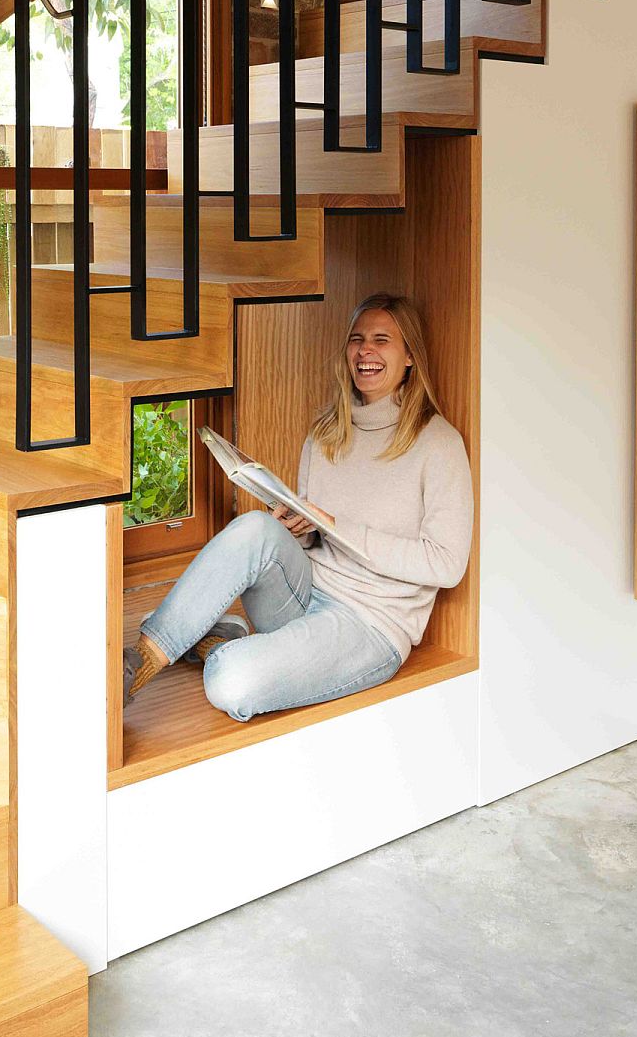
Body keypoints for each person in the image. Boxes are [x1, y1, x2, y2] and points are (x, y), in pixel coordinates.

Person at [122, 292, 473, 723]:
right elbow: (314, 539)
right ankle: (140, 661)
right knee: (255, 527)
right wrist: (300, 529)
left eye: (382, 340)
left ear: (409, 357)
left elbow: (446, 564)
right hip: (303, 592)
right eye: (357, 339)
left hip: (370, 624)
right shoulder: (326, 433)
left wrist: (336, 526)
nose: (365, 350)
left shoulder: (438, 444)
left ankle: (215, 642)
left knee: (231, 681)